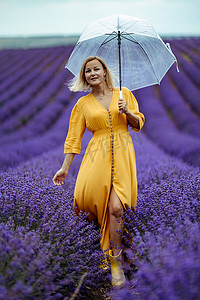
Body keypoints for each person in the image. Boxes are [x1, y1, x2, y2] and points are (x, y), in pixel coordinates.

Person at [53, 56, 145, 286]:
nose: (92, 73)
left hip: (124, 155)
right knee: (95, 208)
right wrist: (64, 168)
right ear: (84, 77)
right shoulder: (82, 104)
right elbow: (73, 138)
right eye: (87, 71)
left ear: (105, 72)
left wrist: (127, 112)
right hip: (96, 158)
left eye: (96, 69)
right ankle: (107, 256)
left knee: (117, 208)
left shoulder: (124, 94)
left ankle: (116, 263)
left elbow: (138, 123)